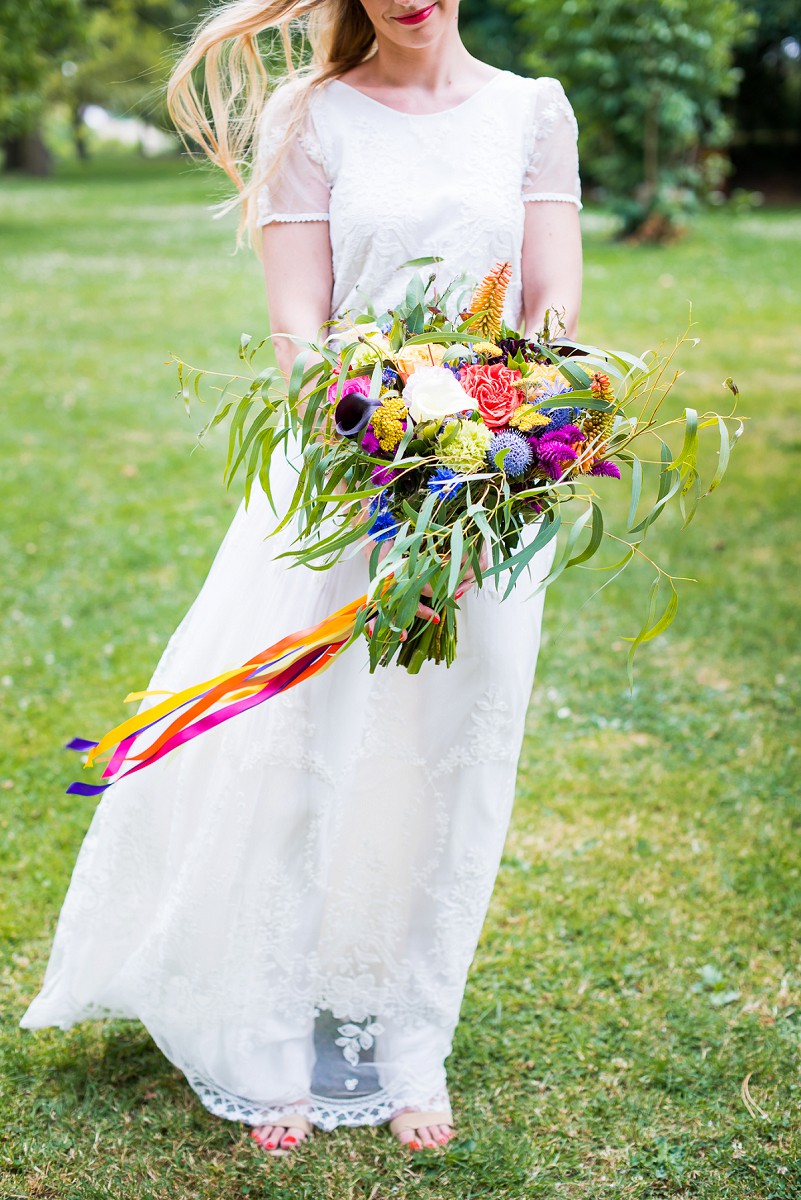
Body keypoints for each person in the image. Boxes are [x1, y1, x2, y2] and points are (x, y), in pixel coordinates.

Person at [19, 0, 582, 1161]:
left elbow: (550, 311)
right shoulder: (309, 113)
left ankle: (411, 1039)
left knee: (453, 757)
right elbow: (295, 324)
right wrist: (378, 430)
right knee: (303, 751)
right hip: (338, 481)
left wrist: (506, 429)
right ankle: (272, 1039)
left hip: (488, 497)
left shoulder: (533, 113)